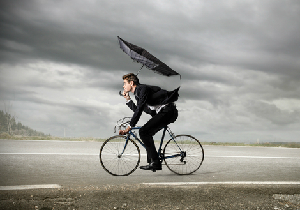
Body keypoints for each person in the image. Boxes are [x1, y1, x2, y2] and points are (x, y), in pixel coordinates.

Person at [119, 73, 179, 172]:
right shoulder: (138, 95)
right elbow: (138, 109)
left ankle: (155, 163)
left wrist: (129, 127)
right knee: (145, 132)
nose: (123, 86)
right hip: (163, 112)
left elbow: (139, 111)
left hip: (168, 111)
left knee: (143, 132)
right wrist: (128, 99)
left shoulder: (142, 90)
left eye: (125, 83)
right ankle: (152, 161)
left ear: (132, 83)